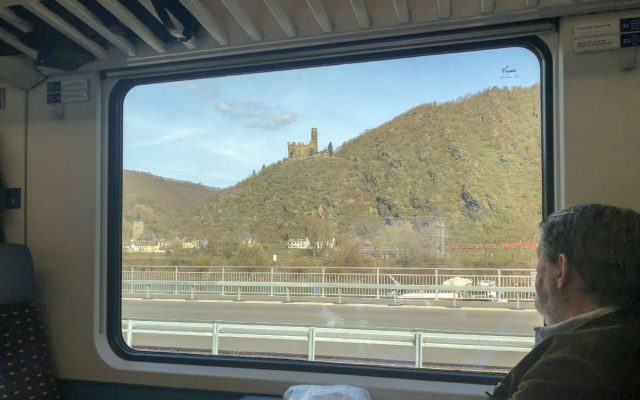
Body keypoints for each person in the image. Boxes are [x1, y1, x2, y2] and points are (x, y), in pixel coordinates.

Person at [488, 204, 640, 399]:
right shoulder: (626, 336)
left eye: (539, 261)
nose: (537, 276)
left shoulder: (564, 372)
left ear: (561, 269)